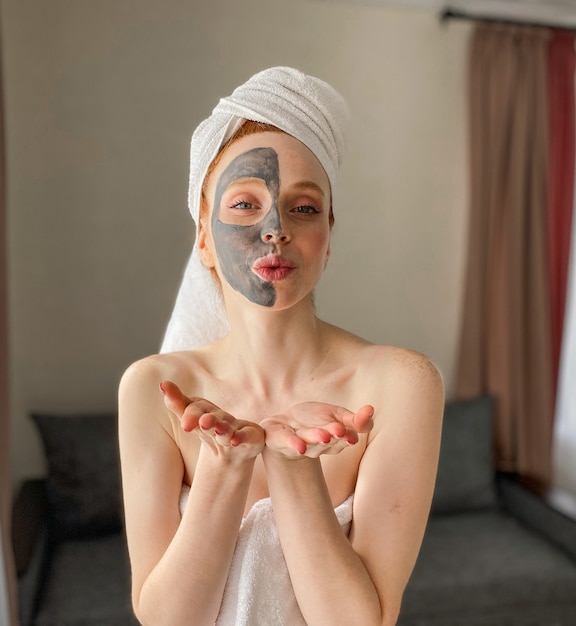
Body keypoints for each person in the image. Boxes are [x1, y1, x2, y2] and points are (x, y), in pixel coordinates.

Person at [118, 66, 444, 626]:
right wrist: (225, 468)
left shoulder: (401, 384)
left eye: (305, 207)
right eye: (245, 204)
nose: (275, 228)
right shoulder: (154, 389)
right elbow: (167, 620)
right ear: (203, 239)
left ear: (328, 239)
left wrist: (295, 472)